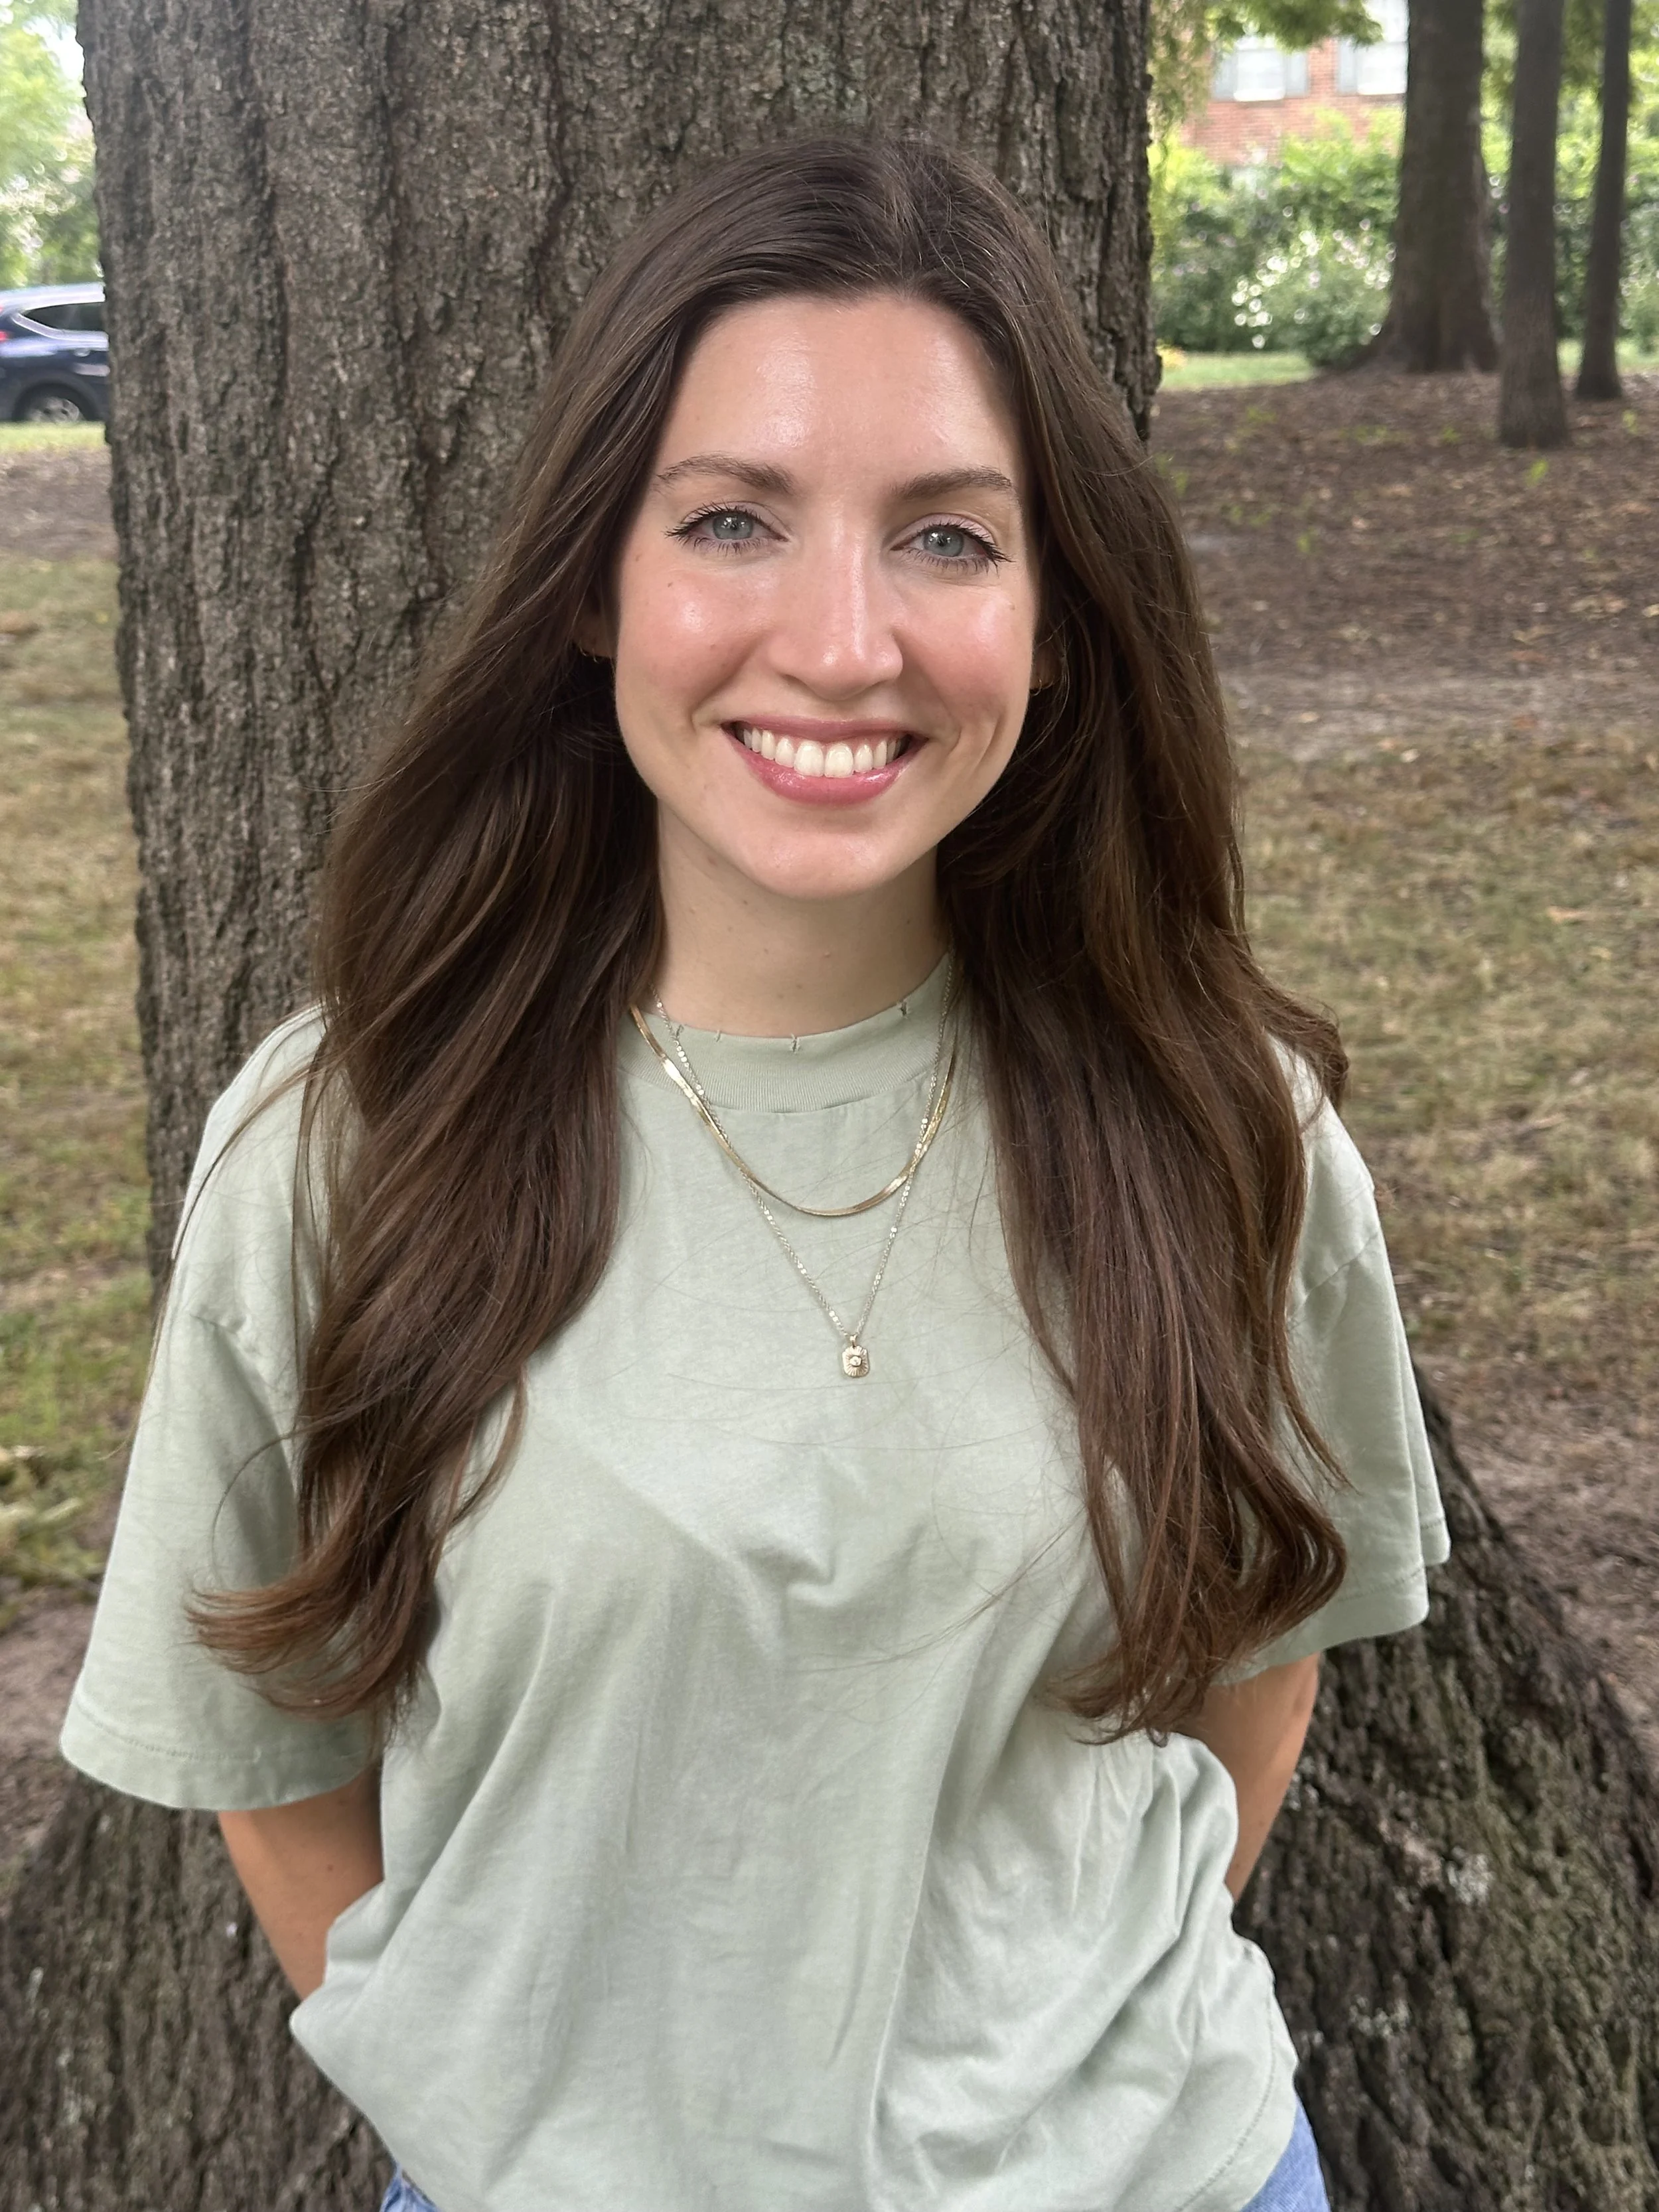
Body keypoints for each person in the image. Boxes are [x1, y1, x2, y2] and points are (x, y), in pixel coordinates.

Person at [60, 133, 1447, 2212]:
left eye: (946, 541)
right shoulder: (348, 1142)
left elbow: (1267, 1654)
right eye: (730, 519)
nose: (839, 639)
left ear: (1058, 621)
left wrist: (1024, 2077)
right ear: (592, 586)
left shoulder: (1219, 1125)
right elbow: (273, 1760)